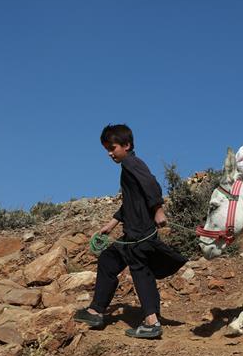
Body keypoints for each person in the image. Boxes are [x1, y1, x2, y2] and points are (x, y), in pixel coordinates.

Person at [73, 124, 186, 339]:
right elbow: (131, 202)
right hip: (133, 232)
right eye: (106, 149)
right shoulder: (128, 165)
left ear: (127, 145)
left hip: (140, 233)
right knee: (110, 260)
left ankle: (149, 321)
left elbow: (152, 185)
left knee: (139, 270)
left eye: (112, 148)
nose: (109, 153)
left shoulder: (132, 164)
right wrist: (113, 223)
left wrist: (158, 210)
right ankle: (97, 311)